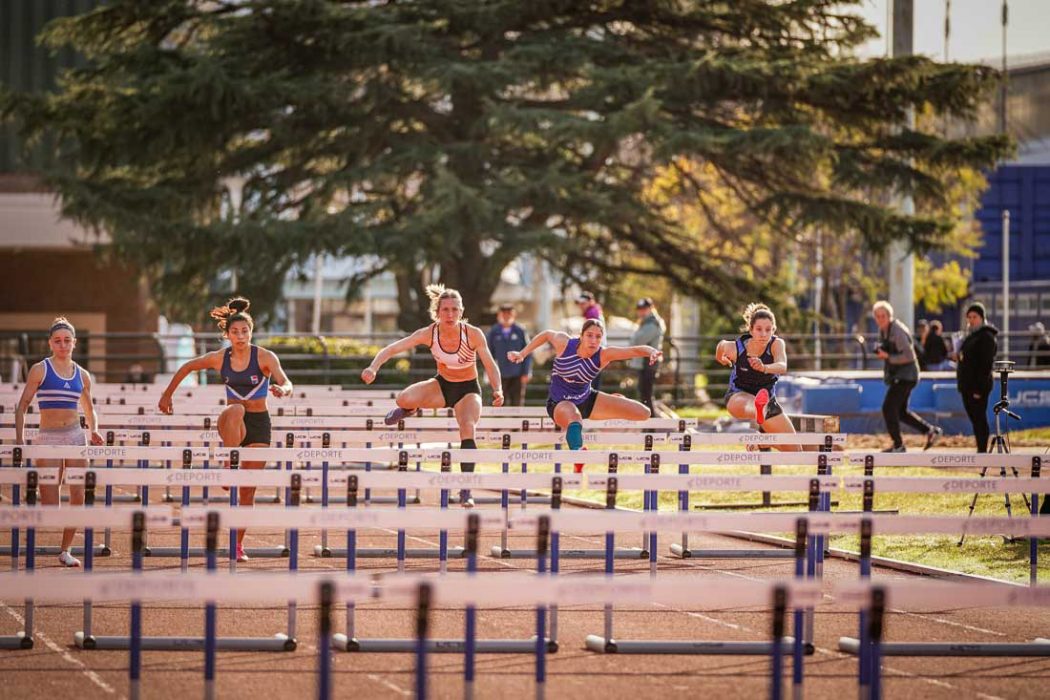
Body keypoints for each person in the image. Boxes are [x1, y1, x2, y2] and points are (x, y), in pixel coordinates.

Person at [158, 297, 293, 562]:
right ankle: (229, 464)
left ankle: (237, 544)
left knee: (247, 492)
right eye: (235, 331)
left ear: (251, 332)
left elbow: (286, 381)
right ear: (227, 334)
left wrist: (283, 390)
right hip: (231, 423)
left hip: (259, 425)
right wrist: (167, 395)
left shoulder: (264, 356)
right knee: (236, 409)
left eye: (245, 331)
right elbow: (187, 366)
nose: (241, 336)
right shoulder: (220, 358)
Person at [362, 285, 504, 507]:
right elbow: (392, 349)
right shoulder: (429, 333)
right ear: (437, 312)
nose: (450, 315)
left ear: (461, 311)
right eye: (445, 310)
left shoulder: (473, 334)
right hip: (442, 385)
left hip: (467, 389)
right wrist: (373, 367)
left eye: (454, 310)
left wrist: (498, 389)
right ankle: (409, 408)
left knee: (467, 427)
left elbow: (490, 364)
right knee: (403, 398)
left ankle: (466, 489)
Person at [508, 318, 661, 472]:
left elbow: (633, 351)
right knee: (574, 416)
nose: (594, 341)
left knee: (643, 413)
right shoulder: (564, 343)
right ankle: (578, 456)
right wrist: (522, 354)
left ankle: (615, 401)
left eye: (598, 337)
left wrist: (652, 351)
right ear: (581, 336)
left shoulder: (604, 354)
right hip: (559, 404)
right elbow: (547, 334)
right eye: (589, 335)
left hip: (586, 400)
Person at [14, 317, 105, 567]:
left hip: (76, 436)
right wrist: (20, 441)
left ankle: (65, 551)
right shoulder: (40, 369)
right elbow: (22, 406)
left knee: (78, 496)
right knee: (51, 506)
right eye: (58, 341)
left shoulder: (83, 375)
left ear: (74, 343)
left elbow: (89, 408)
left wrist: (94, 429)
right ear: (50, 344)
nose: (63, 345)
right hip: (48, 438)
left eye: (67, 341)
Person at [714, 304, 801, 452]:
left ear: (773, 330)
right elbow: (721, 345)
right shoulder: (737, 348)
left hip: (768, 403)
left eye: (768, 330)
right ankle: (757, 407)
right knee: (752, 404)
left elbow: (782, 365)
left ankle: (761, 442)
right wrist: (720, 358)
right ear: (751, 330)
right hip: (737, 397)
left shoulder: (776, 344)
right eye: (759, 329)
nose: (763, 334)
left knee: (795, 451)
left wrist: (764, 368)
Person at [872, 300, 941, 453]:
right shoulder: (883, 330)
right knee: (900, 412)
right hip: (901, 375)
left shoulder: (897, 330)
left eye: (883, 316)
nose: (880, 319)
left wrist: (888, 356)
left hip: (907, 375)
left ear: (889, 316)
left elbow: (909, 355)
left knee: (888, 408)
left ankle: (898, 445)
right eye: (877, 316)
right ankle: (930, 431)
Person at [953, 303, 999, 453]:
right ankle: (981, 449)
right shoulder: (971, 335)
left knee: (979, 418)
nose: (971, 320)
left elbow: (985, 365)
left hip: (977, 386)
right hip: (967, 385)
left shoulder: (986, 336)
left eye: (975, 317)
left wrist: (979, 388)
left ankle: (982, 450)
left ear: (982, 318)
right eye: (969, 317)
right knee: (974, 418)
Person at [486, 304, 532, 406]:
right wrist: (489, 373)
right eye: (503, 314)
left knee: (517, 402)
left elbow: (528, 351)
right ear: (499, 315)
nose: (506, 316)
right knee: (499, 402)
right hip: (499, 374)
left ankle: (517, 422)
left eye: (509, 314)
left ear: (514, 315)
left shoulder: (520, 330)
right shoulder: (493, 331)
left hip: (517, 373)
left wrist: (526, 372)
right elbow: (488, 354)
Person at [630, 298, 666, 414]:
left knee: (646, 395)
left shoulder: (652, 323)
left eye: (644, 309)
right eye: (639, 309)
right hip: (646, 362)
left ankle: (651, 423)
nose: (641, 312)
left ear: (651, 309)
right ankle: (649, 423)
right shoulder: (648, 322)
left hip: (648, 363)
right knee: (645, 394)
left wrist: (634, 335)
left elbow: (638, 339)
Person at [575, 291, 605, 392]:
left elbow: (592, 335)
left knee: (590, 387)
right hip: (597, 351)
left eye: (583, 303)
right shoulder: (594, 312)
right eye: (580, 303)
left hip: (593, 352)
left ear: (591, 302)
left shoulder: (592, 314)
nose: (581, 305)